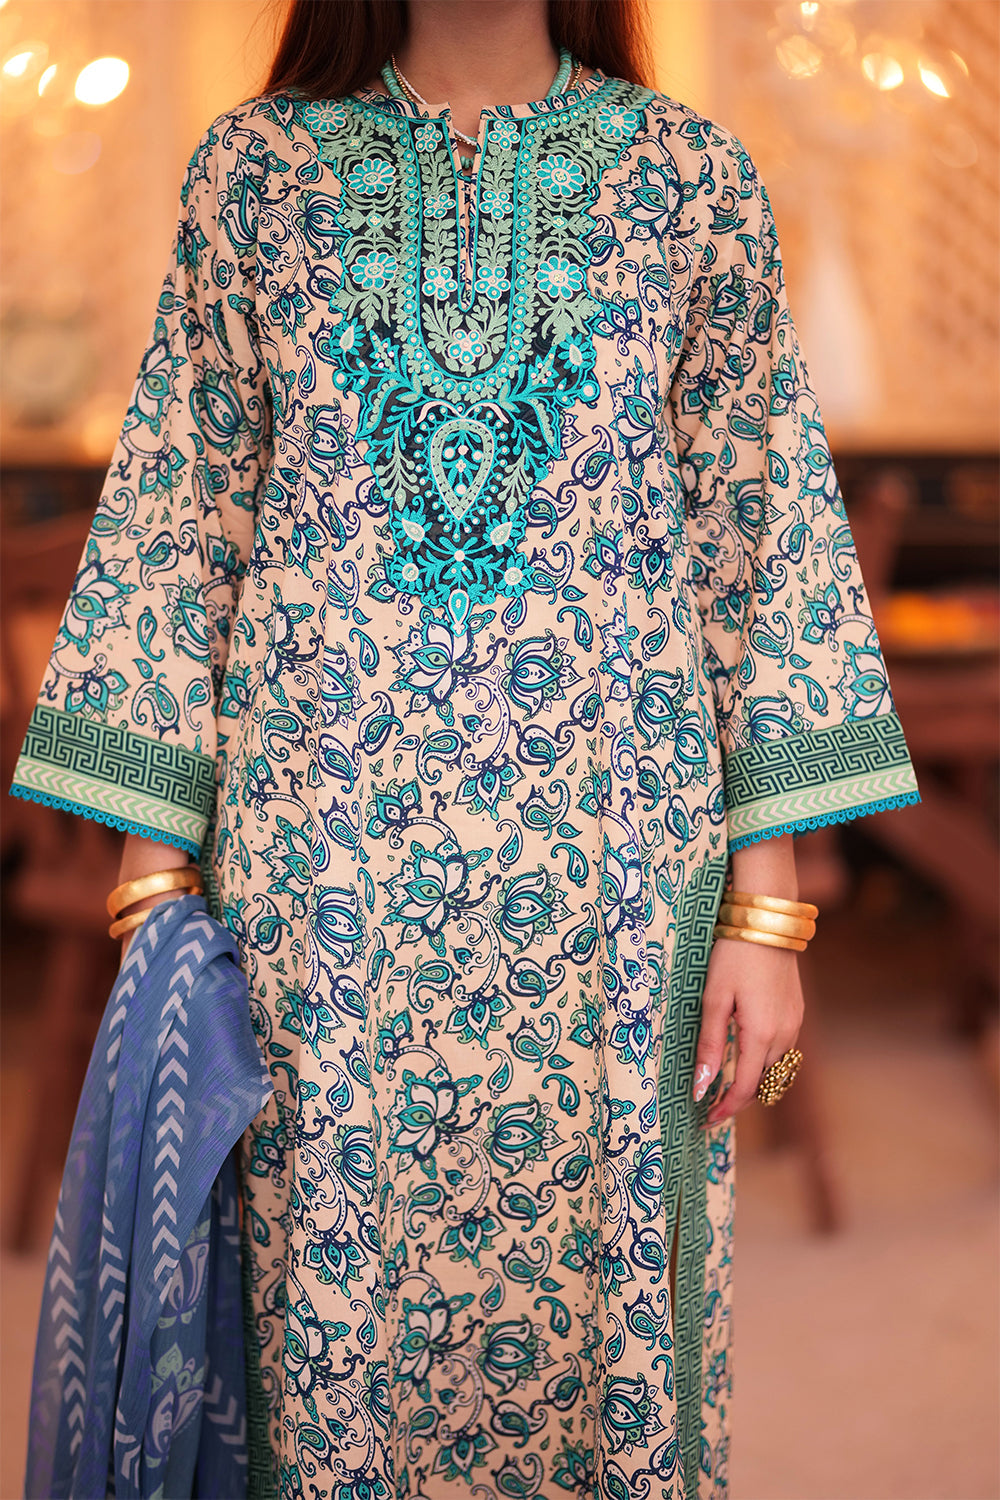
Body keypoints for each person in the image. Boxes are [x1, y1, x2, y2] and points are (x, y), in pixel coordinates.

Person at [10, 1, 919, 1494]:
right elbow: (179, 529)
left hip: (616, 887)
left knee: (607, 1320)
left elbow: (766, 544)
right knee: (326, 1324)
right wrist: (153, 897)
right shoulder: (258, 173)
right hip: (323, 891)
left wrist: (769, 916)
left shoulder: (686, 178)